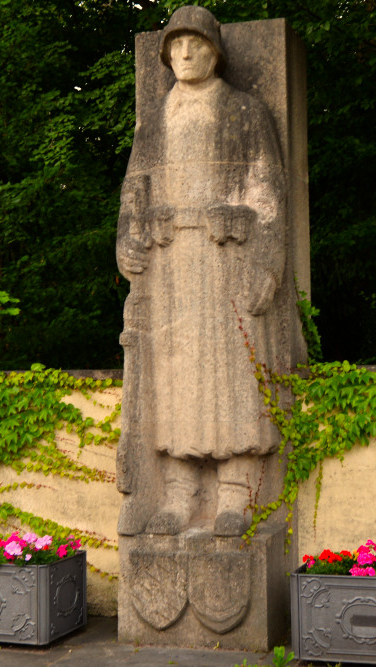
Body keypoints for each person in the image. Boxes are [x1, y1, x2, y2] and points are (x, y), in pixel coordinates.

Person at [116, 5, 289, 537]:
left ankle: (236, 493)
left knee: (232, 377)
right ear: (166, 55)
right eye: (176, 46)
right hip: (171, 271)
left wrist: (265, 264)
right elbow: (134, 191)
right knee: (174, 381)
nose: (185, 54)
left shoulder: (246, 111)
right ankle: (178, 493)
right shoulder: (155, 122)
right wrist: (127, 240)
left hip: (227, 266)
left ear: (215, 51)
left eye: (196, 45)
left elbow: (269, 195)